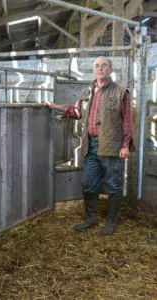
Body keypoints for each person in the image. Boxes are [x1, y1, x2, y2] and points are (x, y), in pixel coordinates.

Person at [45, 56, 135, 235]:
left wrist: (125, 145)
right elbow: (77, 111)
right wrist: (55, 106)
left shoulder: (121, 92)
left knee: (114, 185)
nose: (100, 68)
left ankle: (111, 221)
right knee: (88, 183)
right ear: (93, 70)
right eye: (97, 66)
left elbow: (128, 122)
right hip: (91, 146)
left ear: (110, 70)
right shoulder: (88, 92)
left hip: (112, 146)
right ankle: (92, 218)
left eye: (104, 65)